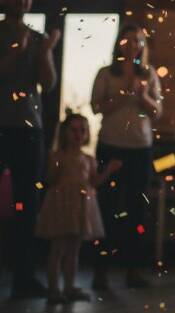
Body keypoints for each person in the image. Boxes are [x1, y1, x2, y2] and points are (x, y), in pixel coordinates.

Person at [90, 23, 163, 289]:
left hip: (140, 149)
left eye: (138, 40)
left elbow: (158, 113)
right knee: (106, 209)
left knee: (137, 211)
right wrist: (122, 95)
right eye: (128, 39)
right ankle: (100, 271)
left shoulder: (150, 74)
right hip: (111, 146)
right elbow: (96, 107)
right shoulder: (106, 73)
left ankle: (133, 270)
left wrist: (143, 97)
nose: (133, 44)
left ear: (143, 45)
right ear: (119, 44)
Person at [0, 0, 60, 299]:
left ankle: (24, 276)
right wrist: (19, 48)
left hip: (28, 128)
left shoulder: (39, 39)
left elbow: (48, 84)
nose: (21, 0)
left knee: (27, 203)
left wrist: (46, 52)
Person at [35, 114, 121, 304]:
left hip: (82, 205)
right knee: (58, 248)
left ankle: (69, 286)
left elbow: (94, 182)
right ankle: (53, 289)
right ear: (64, 133)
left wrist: (108, 171)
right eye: (73, 130)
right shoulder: (57, 156)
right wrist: (54, 164)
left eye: (82, 130)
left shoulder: (89, 158)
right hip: (62, 204)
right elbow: (51, 179)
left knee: (74, 249)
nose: (78, 134)